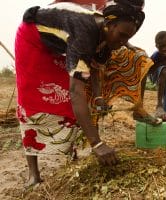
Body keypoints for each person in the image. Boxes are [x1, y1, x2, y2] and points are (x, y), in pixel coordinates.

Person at [15, 0, 148, 187]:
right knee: (36, 100)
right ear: (109, 25)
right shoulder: (85, 33)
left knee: (68, 99)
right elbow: (75, 91)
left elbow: (92, 66)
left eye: (127, 38)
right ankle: (33, 174)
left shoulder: (106, 34)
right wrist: (97, 144)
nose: (123, 42)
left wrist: (98, 95)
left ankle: (72, 152)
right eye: (122, 36)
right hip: (33, 39)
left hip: (62, 43)